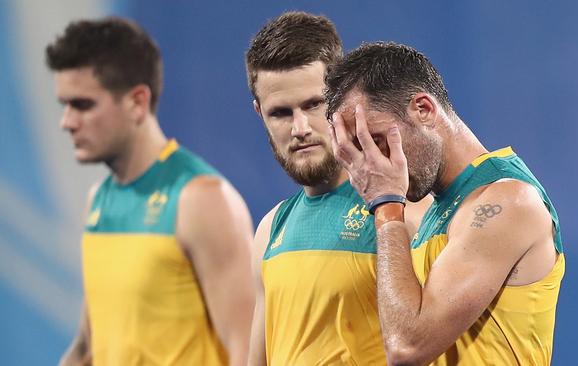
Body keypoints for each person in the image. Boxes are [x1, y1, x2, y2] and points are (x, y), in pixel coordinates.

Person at [326, 42, 564, 365]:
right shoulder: (437, 213)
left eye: (377, 141)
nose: (373, 165)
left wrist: (385, 203)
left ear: (424, 109)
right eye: (359, 152)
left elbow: (407, 347)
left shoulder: (507, 200)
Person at [47, 17, 255, 366]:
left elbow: (248, 350)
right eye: (65, 105)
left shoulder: (202, 200)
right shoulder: (97, 201)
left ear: (137, 102)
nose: (66, 122)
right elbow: (88, 347)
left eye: (82, 105)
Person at [245, 13, 431, 365]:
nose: (300, 128)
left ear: (340, 97)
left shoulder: (409, 213)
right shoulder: (270, 230)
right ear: (259, 112)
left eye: (313, 105)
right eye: (281, 113)